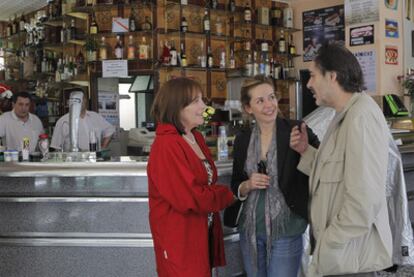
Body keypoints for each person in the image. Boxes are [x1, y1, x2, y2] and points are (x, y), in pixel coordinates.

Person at [290, 43, 393, 277]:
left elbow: (364, 200)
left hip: (353, 258)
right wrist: (306, 150)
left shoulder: (361, 118)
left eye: (313, 76)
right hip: (343, 257)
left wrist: (330, 242)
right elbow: (336, 170)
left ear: (332, 76)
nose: (308, 84)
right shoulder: (342, 115)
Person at [231, 75, 319, 277]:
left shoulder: (297, 129)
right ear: (248, 108)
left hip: (287, 227)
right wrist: (247, 184)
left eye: (271, 97)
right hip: (250, 229)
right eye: (260, 101)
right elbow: (236, 182)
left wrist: (304, 150)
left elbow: (323, 165)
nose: (269, 104)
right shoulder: (243, 139)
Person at [147, 77, 235, 277]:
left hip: (200, 234)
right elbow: (189, 197)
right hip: (180, 238)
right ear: (177, 107)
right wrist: (228, 194)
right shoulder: (166, 145)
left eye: (202, 100)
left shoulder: (195, 137)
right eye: (196, 101)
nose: (204, 106)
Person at [50, 92, 115, 151]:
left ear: (85, 100)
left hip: (95, 160)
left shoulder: (95, 117)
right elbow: (56, 146)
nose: (79, 102)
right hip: (74, 161)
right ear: (70, 102)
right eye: (75, 99)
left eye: (81, 99)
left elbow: (110, 129)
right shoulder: (63, 121)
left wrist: (103, 147)